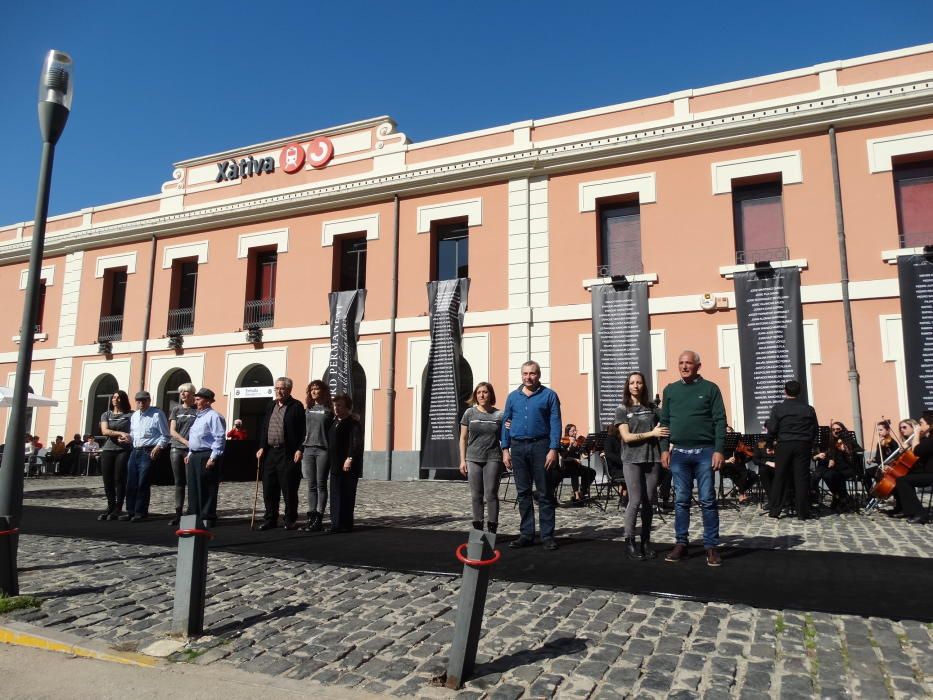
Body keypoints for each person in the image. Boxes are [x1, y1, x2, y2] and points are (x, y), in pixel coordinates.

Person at [659, 350, 726, 567]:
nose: (684, 366)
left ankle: (711, 547)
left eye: (689, 363)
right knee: (681, 501)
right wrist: (664, 450)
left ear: (698, 366)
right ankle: (681, 543)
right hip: (679, 453)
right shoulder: (670, 390)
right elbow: (665, 422)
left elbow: (719, 420)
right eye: (681, 363)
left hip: (705, 452)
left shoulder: (710, 389)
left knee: (707, 499)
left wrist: (719, 450)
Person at [501, 360, 563, 551]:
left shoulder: (550, 396)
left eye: (532, 373)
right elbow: (506, 423)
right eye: (525, 374)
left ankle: (547, 536)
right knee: (523, 493)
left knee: (545, 493)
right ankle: (526, 534)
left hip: (541, 447)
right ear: (521, 375)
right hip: (518, 448)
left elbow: (556, 423)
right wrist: (505, 449)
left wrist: (553, 449)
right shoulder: (513, 397)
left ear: (539, 375)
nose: (528, 377)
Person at [616, 371, 669, 560]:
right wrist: (651, 434)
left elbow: (668, 420)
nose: (636, 385)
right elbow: (627, 437)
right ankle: (629, 540)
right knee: (635, 500)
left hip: (652, 459)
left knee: (649, 502)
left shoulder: (653, 407)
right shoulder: (623, 408)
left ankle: (645, 541)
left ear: (643, 385)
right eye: (632, 382)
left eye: (639, 382)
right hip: (631, 460)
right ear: (627, 386)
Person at [256, 377, 306, 530]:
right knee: (269, 487)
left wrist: (300, 448)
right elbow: (265, 427)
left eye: (282, 388)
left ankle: (290, 519)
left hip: (288, 452)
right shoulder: (270, 405)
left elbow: (303, 430)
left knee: (289, 487)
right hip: (271, 452)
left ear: (289, 390)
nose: (278, 391)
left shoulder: (296, 406)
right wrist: (262, 446)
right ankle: (271, 518)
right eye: (276, 388)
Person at [765, 380, 819, 520]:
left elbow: (772, 429)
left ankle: (775, 510)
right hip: (803, 444)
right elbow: (814, 429)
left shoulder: (778, 408)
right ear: (800, 392)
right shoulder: (808, 409)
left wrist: (769, 445)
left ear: (785, 391)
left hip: (784, 445)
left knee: (780, 476)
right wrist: (810, 444)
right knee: (802, 478)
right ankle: (802, 512)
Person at [459, 382, 504, 533]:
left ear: (490, 394)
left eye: (485, 392)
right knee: (476, 495)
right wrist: (462, 460)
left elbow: (504, 438)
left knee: (491, 493)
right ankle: (478, 531)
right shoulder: (469, 413)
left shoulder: (499, 415)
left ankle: (492, 531)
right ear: (475, 396)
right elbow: (463, 438)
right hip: (472, 458)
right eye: (479, 392)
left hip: (493, 457)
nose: (482, 395)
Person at [123, 391, 170, 522]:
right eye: (139, 401)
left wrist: (158, 447)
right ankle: (130, 510)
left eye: (144, 401)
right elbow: (133, 434)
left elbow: (165, 435)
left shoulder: (156, 414)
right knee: (131, 482)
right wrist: (127, 438)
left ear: (149, 401)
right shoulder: (135, 416)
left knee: (143, 482)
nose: (141, 403)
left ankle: (140, 511)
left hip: (148, 450)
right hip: (135, 450)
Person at [184, 388, 226, 528]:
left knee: (207, 487)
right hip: (195, 454)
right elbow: (195, 437)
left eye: (198, 399)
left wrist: (213, 457)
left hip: (207, 454)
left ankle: (207, 515)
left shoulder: (214, 416)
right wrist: (190, 453)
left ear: (207, 401)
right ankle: (194, 514)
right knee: (193, 487)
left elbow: (219, 437)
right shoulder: (199, 416)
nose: (196, 401)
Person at [299, 380, 333, 532]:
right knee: (310, 484)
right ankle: (311, 516)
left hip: (323, 450)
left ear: (323, 391)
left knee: (321, 484)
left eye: (317, 389)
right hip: (308, 449)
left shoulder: (329, 410)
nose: (314, 391)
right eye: (312, 389)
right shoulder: (308, 409)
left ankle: (319, 516)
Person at [327, 393, 364, 533]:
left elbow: (356, 443)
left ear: (347, 407)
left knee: (347, 494)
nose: (336, 408)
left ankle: (346, 524)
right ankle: (336, 523)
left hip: (347, 464)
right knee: (336, 494)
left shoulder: (352, 423)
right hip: (335, 464)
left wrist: (350, 458)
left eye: (339, 405)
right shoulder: (335, 421)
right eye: (335, 405)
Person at [812, 421, 862, 512]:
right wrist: (820, 456)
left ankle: (840, 498)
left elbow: (859, 451)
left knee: (832, 474)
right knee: (826, 474)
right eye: (833, 429)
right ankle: (840, 496)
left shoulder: (848, 440)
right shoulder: (829, 441)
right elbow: (823, 455)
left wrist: (847, 449)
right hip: (834, 468)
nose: (835, 431)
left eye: (838, 429)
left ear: (842, 430)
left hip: (847, 468)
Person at [98, 390, 132, 520]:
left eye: (118, 397)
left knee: (119, 479)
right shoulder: (106, 414)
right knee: (107, 480)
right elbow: (105, 431)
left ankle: (118, 507)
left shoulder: (130, 415)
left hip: (123, 450)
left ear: (123, 400)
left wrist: (128, 437)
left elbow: (133, 431)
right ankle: (110, 505)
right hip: (108, 449)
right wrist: (121, 433)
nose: (115, 399)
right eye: (114, 397)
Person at [168, 383, 198, 526]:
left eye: (186, 392)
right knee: (179, 482)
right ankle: (178, 513)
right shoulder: (176, 410)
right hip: (177, 448)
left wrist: (190, 445)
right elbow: (172, 431)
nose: (183, 394)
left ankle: (191, 510)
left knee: (190, 481)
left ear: (192, 394)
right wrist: (185, 441)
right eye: (181, 392)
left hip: (191, 450)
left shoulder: (197, 410)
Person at [558, 424, 596, 505]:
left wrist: (591, 453)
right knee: (573, 470)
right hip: (566, 467)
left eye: (576, 430)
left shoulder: (578, 442)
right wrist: (570, 446)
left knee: (591, 472)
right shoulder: (564, 441)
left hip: (576, 466)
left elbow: (582, 455)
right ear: (568, 432)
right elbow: (564, 456)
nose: (575, 432)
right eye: (573, 431)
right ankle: (576, 496)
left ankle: (582, 492)